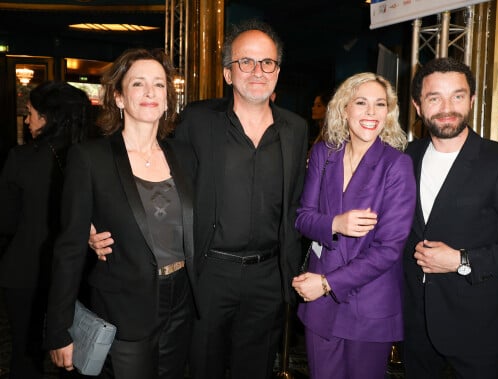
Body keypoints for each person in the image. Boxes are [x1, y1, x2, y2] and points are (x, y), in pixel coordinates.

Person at [90, 20, 308, 379]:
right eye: (246, 62)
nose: (258, 71)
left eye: (267, 62)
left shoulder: (296, 128)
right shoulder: (198, 120)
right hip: (208, 274)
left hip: (269, 276)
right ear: (227, 73)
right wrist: (95, 222)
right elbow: (148, 166)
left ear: (278, 71)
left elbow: (299, 199)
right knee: (201, 366)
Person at [44, 48, 197, 379]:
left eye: (159, 85)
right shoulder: (90, 158)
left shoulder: (185, 156)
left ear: (169, 100)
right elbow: (68, 248)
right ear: (119, 97)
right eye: (138, 83)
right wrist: (58, 328)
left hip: (181, 301)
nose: (149, 93)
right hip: (122, 305)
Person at [403, 57, 498, 378]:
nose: (447, 107)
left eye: (457, 95)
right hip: (414, 325)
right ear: (417, 105)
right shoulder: (406, 158)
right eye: (434, 97)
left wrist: (460, 260)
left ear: (470, 100)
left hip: (475, 329)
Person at [291, 72, 416, 379]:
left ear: (388, 113)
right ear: (344, 109)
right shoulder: (324, 154)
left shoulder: (396, 165)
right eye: (361, 103)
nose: (371, 112)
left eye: (379, 104)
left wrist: (326, 284)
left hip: (369, 303)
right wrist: (336, 223)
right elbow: (303, 217)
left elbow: (389, 249)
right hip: (321, 304)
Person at [0, 81, 91, 379]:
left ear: (49, 117)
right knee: (77, 355)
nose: (27, 120)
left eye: (30, 113)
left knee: (25, 355)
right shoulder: (97, 156)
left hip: (24, 271)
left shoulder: (21, 158)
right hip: (81, 273)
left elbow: (6, 221)